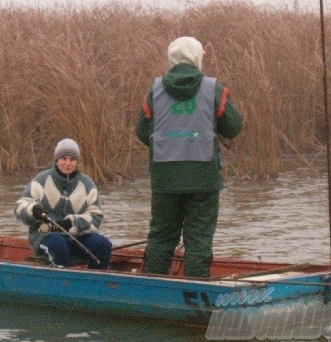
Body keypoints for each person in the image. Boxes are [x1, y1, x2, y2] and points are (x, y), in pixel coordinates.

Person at [136, 36, 243, 278]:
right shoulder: (215, 89)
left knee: (162, 236)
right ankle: (194, 291)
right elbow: (234, 127)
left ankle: (152, 288)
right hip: (203, 178)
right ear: (197, 58)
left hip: (164, 180)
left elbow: (142, 133)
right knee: (198, 238)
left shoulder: (154, 92)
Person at [14, 138, 112, 269]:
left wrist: (73, 223)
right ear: (56, 160)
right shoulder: (41, 180)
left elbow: (96, 216)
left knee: (103, 245)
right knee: (58, 245)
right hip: (45, 236)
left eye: (72, 159)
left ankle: (94, 283)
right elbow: (19, 206)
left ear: (77, 162)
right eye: (63, 159)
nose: (68, 163)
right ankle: (64, 284)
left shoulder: (87, 184)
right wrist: (32, 209)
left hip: (78, 237)